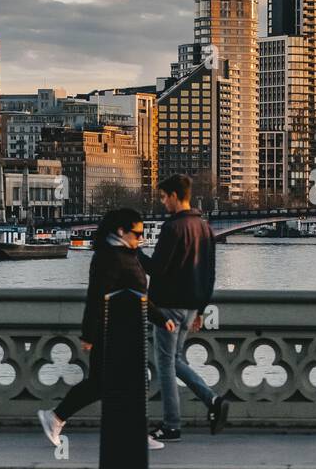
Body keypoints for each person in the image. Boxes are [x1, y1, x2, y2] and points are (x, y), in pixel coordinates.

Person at [38, 207, 171, 450]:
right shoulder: (108, 257)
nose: (141, 238)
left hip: (130, 331)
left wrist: (160, 318)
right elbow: (96, 298)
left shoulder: (129, 252)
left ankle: (131, 432)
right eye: (137, 233)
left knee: (127, 384)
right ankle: (55, 417)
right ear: (121, 231)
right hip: (111, 333)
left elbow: (141, 292)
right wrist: (89, 334)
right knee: (104, 384)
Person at [141, 174, 229, 442]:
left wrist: (132, 251)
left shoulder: (173, 228)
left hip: (168, 306)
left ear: (176, 196)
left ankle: (171, 425)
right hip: (191, 306)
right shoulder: (204, 227)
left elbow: (156, 268)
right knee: (175, 360)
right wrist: (200, 309)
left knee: (165, 365)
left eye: (165, 197)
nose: (163, 202)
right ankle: (212, 400)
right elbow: (210, 273)